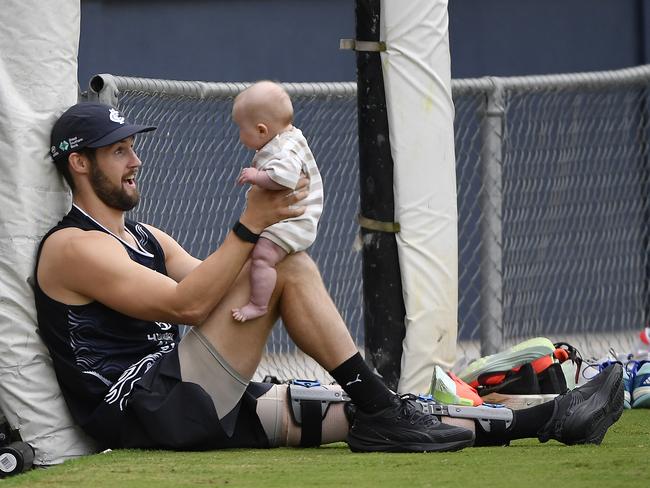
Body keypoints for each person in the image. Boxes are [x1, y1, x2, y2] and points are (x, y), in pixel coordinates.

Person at [35, 102, 624, 454]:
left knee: (366, 414)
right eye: (118, 151)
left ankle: (551, 418)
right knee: (285, 267)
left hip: (188, 397)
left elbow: (218, 290)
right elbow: (189, 306)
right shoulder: (69, 247)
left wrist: (279, 213)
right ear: (79, 163)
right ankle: (381, 405)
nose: (135, 160)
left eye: (134, 147)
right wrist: (252, 227)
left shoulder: (146, 237)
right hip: (147, 408)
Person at [231, 81, 322, 323]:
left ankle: (258, 304)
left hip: (295, 221)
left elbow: (285, 177)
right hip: (294, 217)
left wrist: (257, 176)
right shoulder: (287, 136)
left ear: (262, 130)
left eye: (241, 129)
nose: (240, 136)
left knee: (262, 256)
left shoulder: (283, 149)